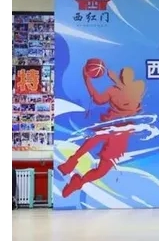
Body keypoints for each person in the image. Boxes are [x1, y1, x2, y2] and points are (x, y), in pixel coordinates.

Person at [57, 64, 145, 197]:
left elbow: (127, 93)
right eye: (122, 75)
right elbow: (98, 99)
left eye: (127, 75)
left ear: (131, 77)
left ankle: (79, 182)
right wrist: (87, 80)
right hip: (109, 124)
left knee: (102, 170)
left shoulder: (138, 86)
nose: (124, 77)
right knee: (92, 141)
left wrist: (115, 79)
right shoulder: (113, 90)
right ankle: (70, 163)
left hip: (122, 132)